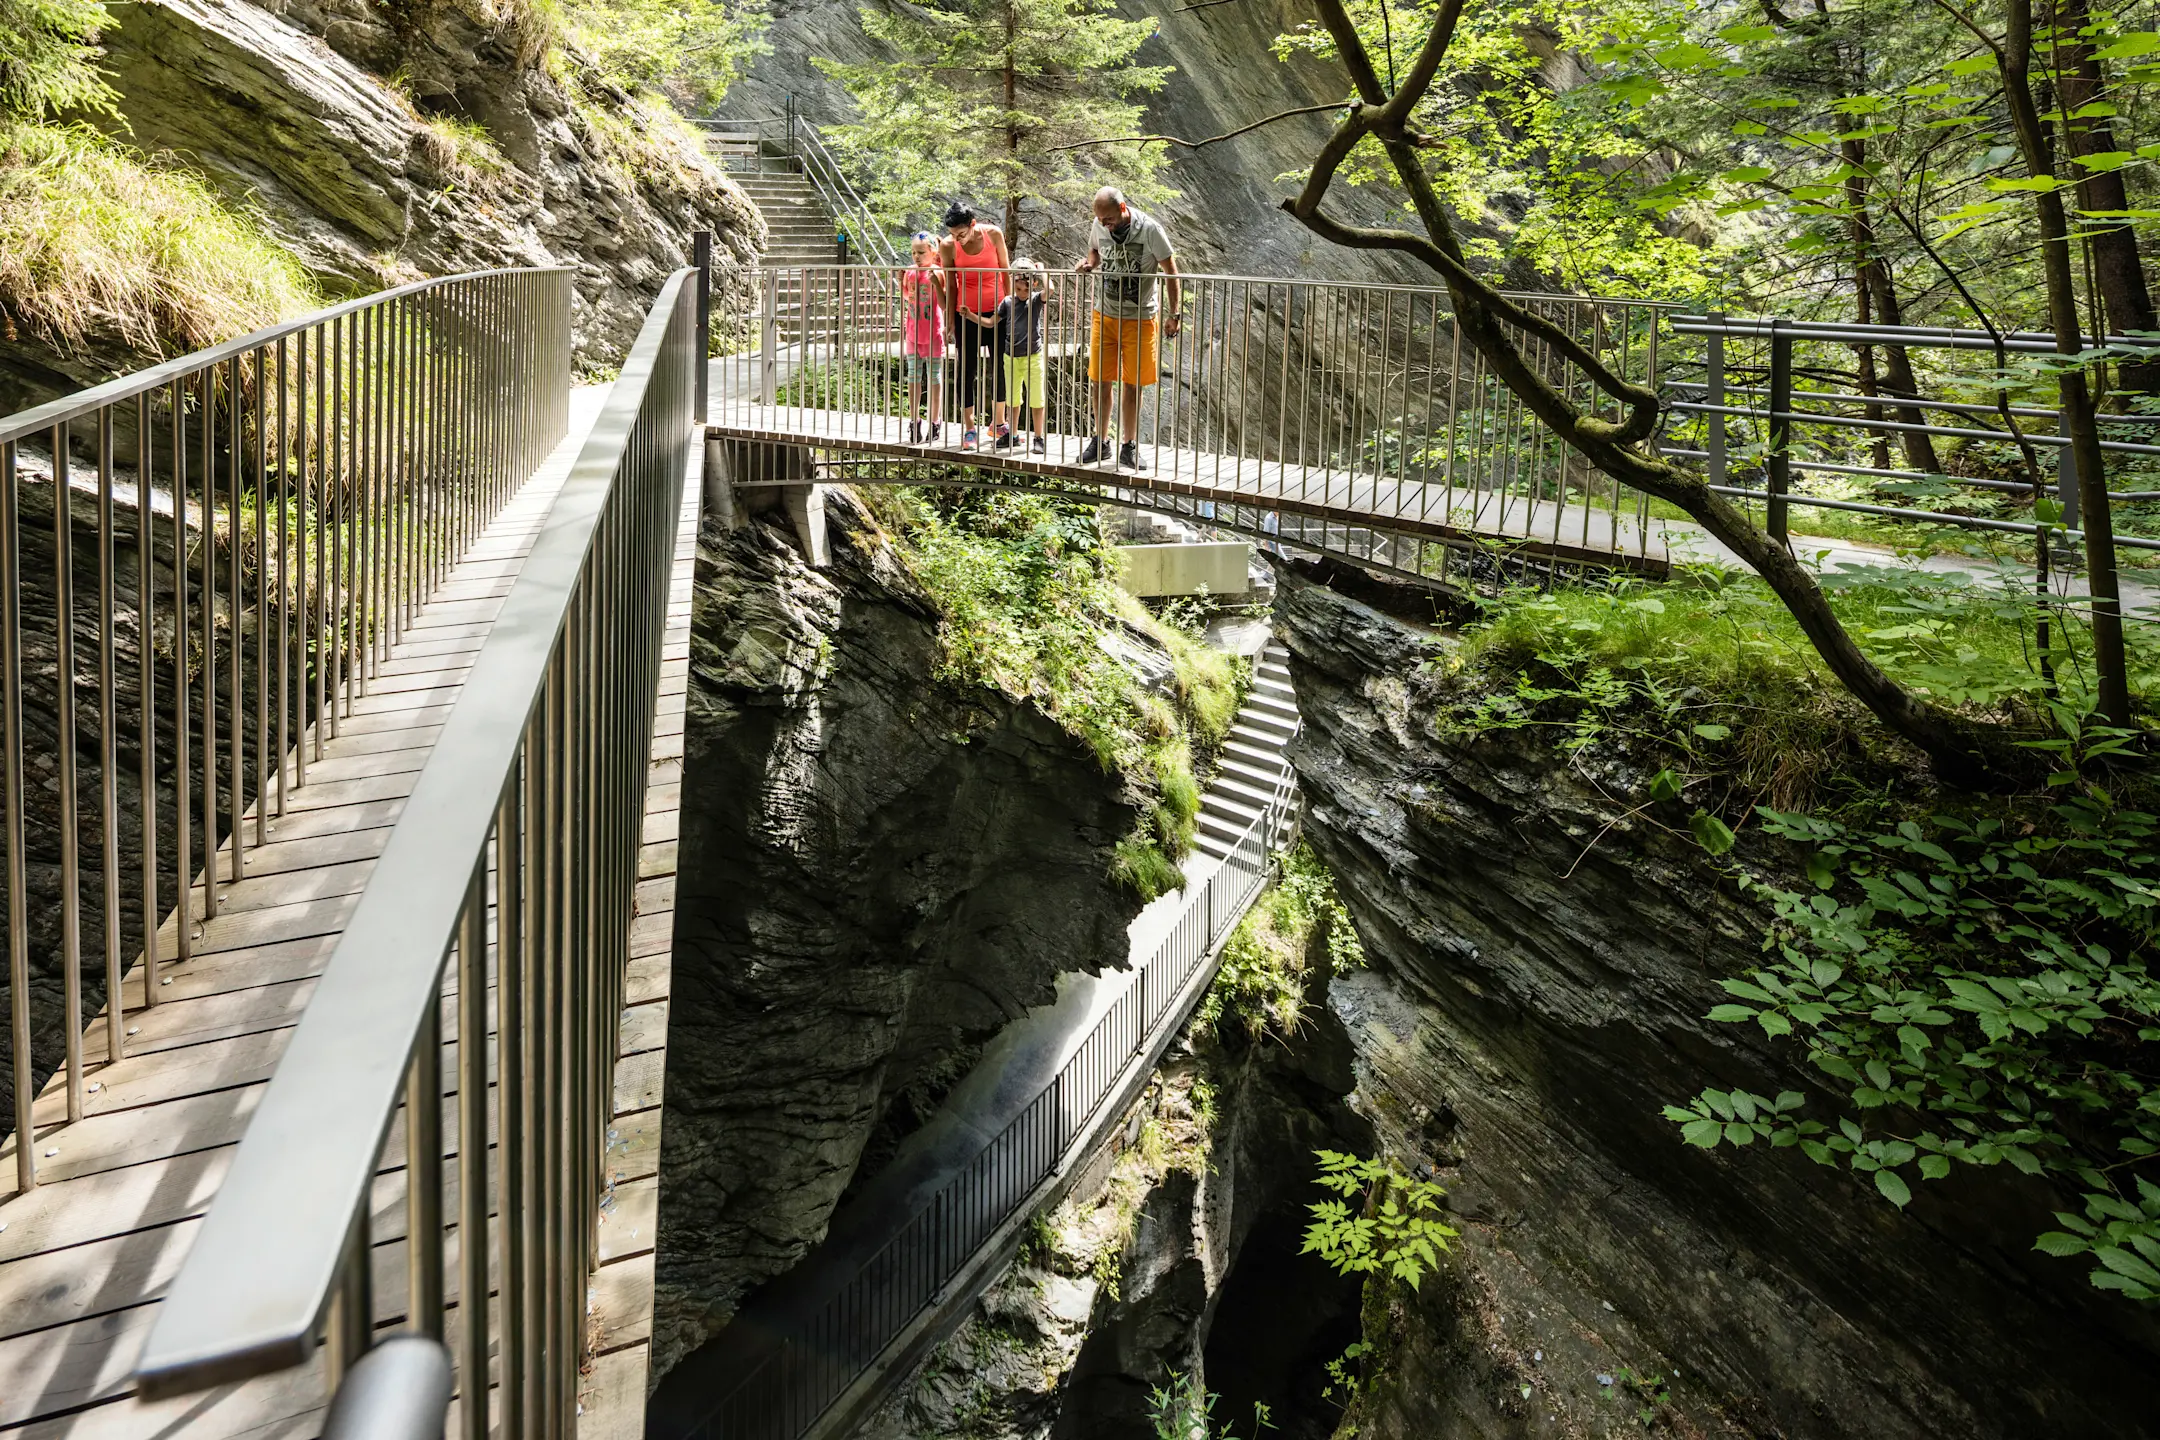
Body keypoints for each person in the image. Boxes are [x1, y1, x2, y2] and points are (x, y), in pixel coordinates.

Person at [1074, 187, 1181, 471]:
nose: (1103, 224)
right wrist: (1089, 264)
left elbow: (1171, 270)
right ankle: (1100, 441)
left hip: (1140, 317)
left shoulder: (1150, 230)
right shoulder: (1100, 224)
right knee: (1099, 380)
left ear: (1122, 209)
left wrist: (1175, 313)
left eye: (1108, 219)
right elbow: (1095, 251)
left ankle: (1129, 446)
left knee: (1132, 383)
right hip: (1105, 314)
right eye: (1099, 219)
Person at [939, 201, 1011, 450]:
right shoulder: (948, 247)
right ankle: (969, 427)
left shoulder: (993, 234)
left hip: (997, 309)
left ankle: (999, 422)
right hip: (965, 312)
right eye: (952, 235)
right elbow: (951, 283)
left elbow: (1005, 270)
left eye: (961, 234)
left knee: (1000, 366)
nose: (957, 239)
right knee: (965, 369)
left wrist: (1011, 307)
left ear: (973, 224)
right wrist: (949, 320)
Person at [993, 260, 1050, 454]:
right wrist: (971, 316)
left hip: (1032, 355)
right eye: (1016, 287)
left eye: (1022, 288)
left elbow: (1049, 289)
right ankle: (1013, 434)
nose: (1019, 291)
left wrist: (1041, 270)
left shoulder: (1034, 300)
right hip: (1011, 356)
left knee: (1036, 398)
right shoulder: (1008, 302)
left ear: (1032, 285)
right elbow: (992, 321)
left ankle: (1039, 437)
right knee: (1012, 398)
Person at [900, 232, 948, 444]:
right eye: (913, 253)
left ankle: (935, 420)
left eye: (921, 252)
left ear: (932, 252)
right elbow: (906, 295)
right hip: (912, 332)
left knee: (934, 377)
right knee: (912, 376)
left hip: (933, 333)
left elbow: (944, 301)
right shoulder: (910, 272)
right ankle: (914, 419)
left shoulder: (937, 272)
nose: (916, 257)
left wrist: (936, 282)